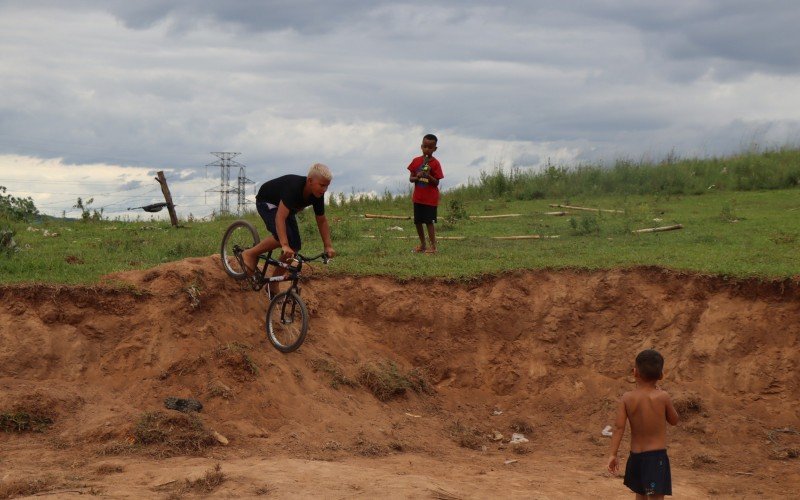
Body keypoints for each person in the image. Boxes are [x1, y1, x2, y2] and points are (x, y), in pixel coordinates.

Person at [241, 163, 335, 295]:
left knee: (294, 246)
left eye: (327, 186)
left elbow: (321, 220)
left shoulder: (317, 194)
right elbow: (280, 218)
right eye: (322, 185)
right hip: (267, 202)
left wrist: (328, 246)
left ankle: (272, 284)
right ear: (310, 181)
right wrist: (284, 244)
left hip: (287, 208)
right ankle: (249, 253)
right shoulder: (294, 187)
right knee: (283, 239)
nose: (324, 189)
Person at [607, 349, 680, 499]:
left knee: (640, 495)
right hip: (655, 459)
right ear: (661, 375)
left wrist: (613, 454)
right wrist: (665, 400)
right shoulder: (663, 396)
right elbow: (674, 420)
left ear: (635, 372)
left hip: (636, 458)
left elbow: (619, 428)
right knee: (655, 497)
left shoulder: (627, 398)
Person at [407, 133, 444, 253]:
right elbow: (411, 179)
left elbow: (437, 182)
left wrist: (428, 176)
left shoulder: (435, 163)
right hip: (418, 198)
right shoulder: (416, 161)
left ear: (435, 149)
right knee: (418, 222)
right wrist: (417, 177)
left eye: (430, 147)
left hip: (430, 199)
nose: (427, 149)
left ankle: (433, 247)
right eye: (425, 146)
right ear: (421, 146)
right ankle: (423, 245)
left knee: (429, 222)